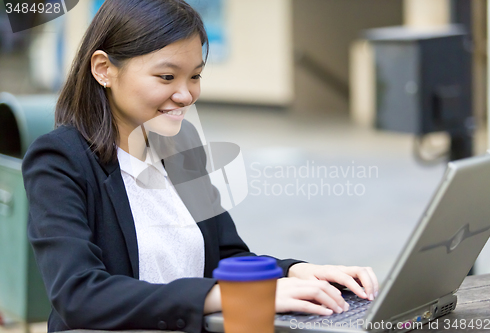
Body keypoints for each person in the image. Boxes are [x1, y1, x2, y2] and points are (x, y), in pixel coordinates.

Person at [22, 0, 378, 332]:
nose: (185, 95)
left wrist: (297, 271)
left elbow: (226, 255)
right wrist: (229, 296)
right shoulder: (60, 159)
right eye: (166, 77)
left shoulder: (179, 145)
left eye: (195, 76)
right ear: (103, 69)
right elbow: (79, 294)